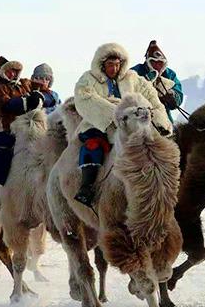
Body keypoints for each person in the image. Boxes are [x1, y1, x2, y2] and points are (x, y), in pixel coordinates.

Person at [73, 42, 172, 207]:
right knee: (92, 146)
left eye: (117, 64)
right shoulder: (88, 79)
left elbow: (151, 96)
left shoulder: (133, 78)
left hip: (133, 124)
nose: (114, 68)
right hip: (99, 124)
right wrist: (115, 113)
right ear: (102, 64)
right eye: (110, 64)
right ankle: (87, 187)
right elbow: (84, 98)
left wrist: (160, 119)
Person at [0, 56, 43, 208]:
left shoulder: (24, 84)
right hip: (3, 130)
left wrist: (43, 96)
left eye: (16, 71)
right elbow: (8, 104)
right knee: (1, 154)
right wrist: (28, 101)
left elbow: (44, 88)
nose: (13, 75)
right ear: (2, 73)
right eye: (10, 71)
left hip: (24, 129)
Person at [131, 40, 183, 125]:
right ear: (148, 61)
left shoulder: (169, 74)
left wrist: (173, 97)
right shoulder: (135, 72)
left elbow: (178, 94)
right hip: (139, 119)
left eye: (160, 63)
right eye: (154, 62)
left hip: (164, 119)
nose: (157, 66)